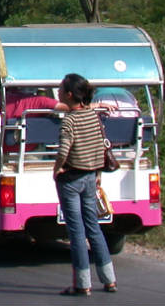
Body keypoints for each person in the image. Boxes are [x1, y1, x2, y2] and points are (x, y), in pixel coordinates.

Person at [54, 73, 118, 296]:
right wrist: (97, 171)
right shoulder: (92, 115)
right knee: (93, 226)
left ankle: (82, 283)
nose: (58, 92)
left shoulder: (70, 120)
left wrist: (57, 169)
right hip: (91, 176)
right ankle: (109, 279)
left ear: (69, 94)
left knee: (76, 230)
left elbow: (63, 150)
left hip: (71, 179)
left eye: (61, 89)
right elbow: (99, 146)